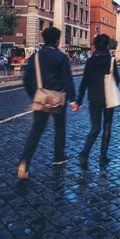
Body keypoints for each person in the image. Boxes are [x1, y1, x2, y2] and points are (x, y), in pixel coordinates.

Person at [18, 27, 75, 180]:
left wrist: (34, 95)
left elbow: (26, 79)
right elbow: (67, 79)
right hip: (57, 98)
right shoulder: (61, 57)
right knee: (59, 128)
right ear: (57, 40)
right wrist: (73, 99)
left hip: (40, 97)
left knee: (36, 131)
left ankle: (24, 162)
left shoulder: (35, 57)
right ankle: (58, 156)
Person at [72, 34, 120, 168]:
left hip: (93, 98)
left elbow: (84, 82)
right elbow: (117, 79)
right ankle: (103, 156)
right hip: (108, 97)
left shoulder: (90, 61)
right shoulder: (111, 60)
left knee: (95, 127)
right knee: (107, 126)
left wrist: (79, 101)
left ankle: (84, 152)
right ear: (107, 45)